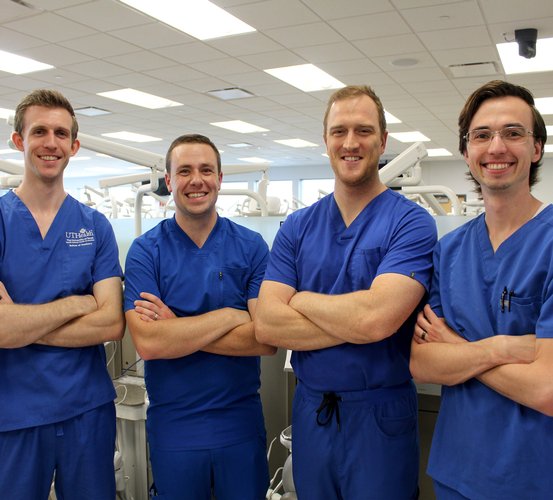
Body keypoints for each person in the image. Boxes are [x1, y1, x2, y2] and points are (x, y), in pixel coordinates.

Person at [255, 85, 437, 499]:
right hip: (312, 412)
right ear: (325, 141)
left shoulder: (410, 223)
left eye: (363, 130)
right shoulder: (298, 227)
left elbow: (377, 319)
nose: (350, 142)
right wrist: (363, 321)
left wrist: (299, 301)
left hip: (381, 417)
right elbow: (266, 323)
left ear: (383, 140)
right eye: (339, 131)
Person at [410, 80, 553, 499]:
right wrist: (506, 348)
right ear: (467, 152)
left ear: (537, 148)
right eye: (482, 135)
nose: (496, 148)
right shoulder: (449, 250)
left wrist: (455, 346)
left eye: (513, 133)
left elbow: (547, 390)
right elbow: (421, 363)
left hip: (533, 478)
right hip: (457, 472)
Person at [123, 133, 275, 499]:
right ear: (169, 180)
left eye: (206, 170)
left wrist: (178, 327)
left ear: (220, 179)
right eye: (185, 171)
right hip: (176, 428)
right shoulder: (146, 252)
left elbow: (266, 339)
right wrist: (230, 315)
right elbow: (151, 342)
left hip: (239, 424)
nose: (197, 180)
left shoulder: (251, 247)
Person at [0, 89, 125, 498]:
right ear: (19, 140)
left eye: (60, 133)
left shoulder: (96, 226)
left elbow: (110, 322)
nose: (49, 142)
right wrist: (76, 303)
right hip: (13, 415)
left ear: (73, 145)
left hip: (86, 411)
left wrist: (24, 322)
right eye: (39, 131)